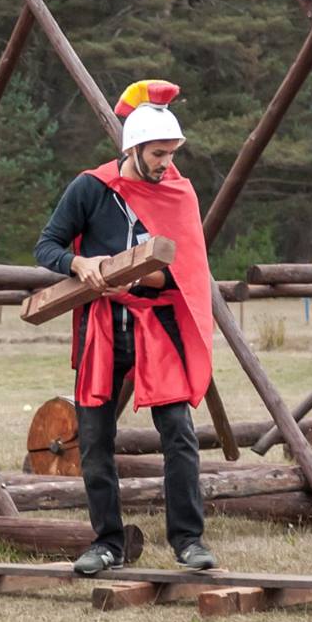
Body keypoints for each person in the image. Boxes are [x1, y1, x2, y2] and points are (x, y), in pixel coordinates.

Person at [35, 80, 218, 576]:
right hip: (103, 327)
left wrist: (145, 275)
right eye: (158, 154)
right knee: (94, 438)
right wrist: (79, 264)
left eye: (171, 153)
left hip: (157, 326)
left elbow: (189, 266)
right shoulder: (91, 188)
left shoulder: (178, 192)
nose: (166, 163)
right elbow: (46, 246)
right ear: (133, 148)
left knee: (178, 432)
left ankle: (188, 540)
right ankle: (107, 542)